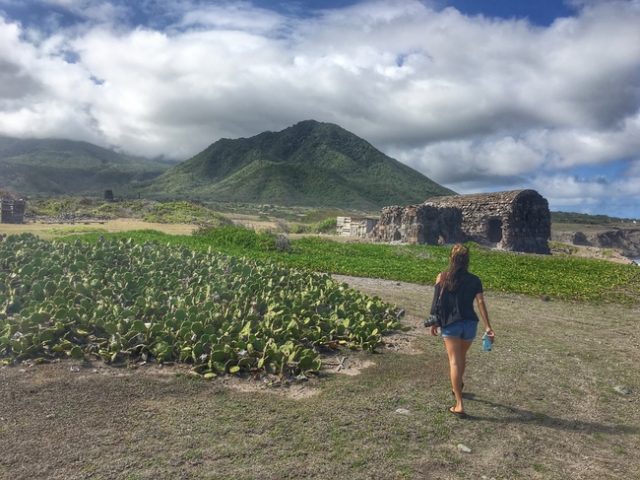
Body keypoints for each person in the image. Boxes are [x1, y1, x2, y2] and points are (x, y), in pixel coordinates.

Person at [429, 243, 495, 416]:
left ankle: (459, 404)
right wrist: (488, 326)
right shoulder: (475, 280)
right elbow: (480, 302)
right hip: (470, 324)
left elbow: (437, 301)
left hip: (451, 324)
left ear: (452, 258)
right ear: (467, 260)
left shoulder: (443, 277)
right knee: (461, 357)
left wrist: (434, 321)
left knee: (454, 361)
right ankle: (457, 385)